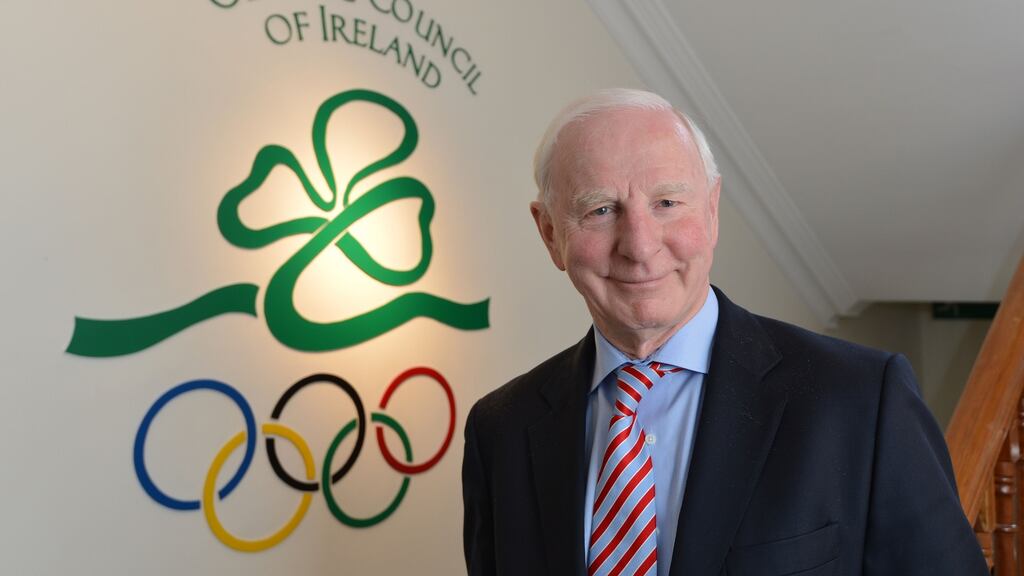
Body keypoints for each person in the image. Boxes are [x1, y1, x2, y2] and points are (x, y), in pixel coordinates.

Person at [461, 88, 987, 575]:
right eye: (601, 210)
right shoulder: (501, 430)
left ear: (711, 211)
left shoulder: (861, 400)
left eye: (667, 203)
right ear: (550, 233)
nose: (639, 246)